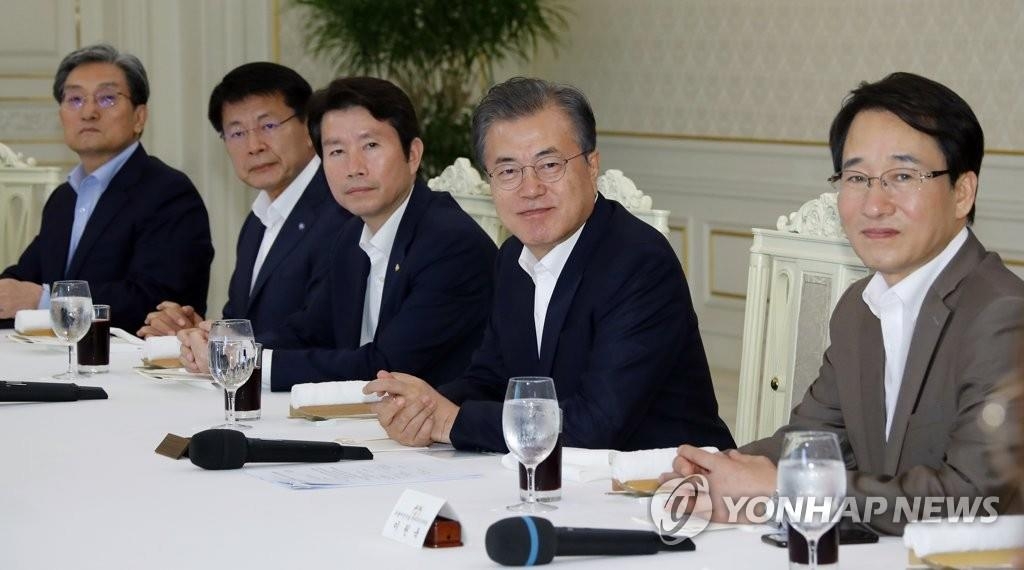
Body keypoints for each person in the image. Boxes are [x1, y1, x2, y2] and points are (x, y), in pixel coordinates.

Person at [668, 72, 1024, 535]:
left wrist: (786, 489)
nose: (874, 204)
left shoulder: (1003, 316)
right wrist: (714, 469)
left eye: (902, 176)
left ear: (962, 192)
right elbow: (813, 441)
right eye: (857, 177)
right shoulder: (860, 306)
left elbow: (971, 502)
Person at [365, 77, 735, 453]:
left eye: (549, 164)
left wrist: (452, 422)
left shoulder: (639, 263)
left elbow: (596, 425)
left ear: (591, 166)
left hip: (667, 487)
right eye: (508, 171)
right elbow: (491, 379)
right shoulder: (512, 258)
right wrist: (424, 408)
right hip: (561, 480)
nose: (530, 188)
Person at [178, 77, 496, 391]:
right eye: (336, 152)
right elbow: (309, 332)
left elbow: (385, 367)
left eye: (370, 146)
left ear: (412, 155)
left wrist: (250, 361)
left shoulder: (450, 243)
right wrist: (226, 345)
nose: (353, 167)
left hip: (436, 437)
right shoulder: (351, 237)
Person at [0, 44, 213, 331]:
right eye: (74, 99)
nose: (88, 111)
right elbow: (24, 278)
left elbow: (156, 301)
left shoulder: (169, 193)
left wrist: (47, 301)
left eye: (107, 98)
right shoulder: (64, 199)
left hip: (128, 368)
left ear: (139, 117)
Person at [136, 62, 350, 339]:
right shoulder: (257, 221)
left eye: (268, 125)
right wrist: (195, 333)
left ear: (309, 127)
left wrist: (219, 344)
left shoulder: (341, 209)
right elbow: (243, 323)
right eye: (237, 133)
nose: (254, 146)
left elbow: (320, 332)